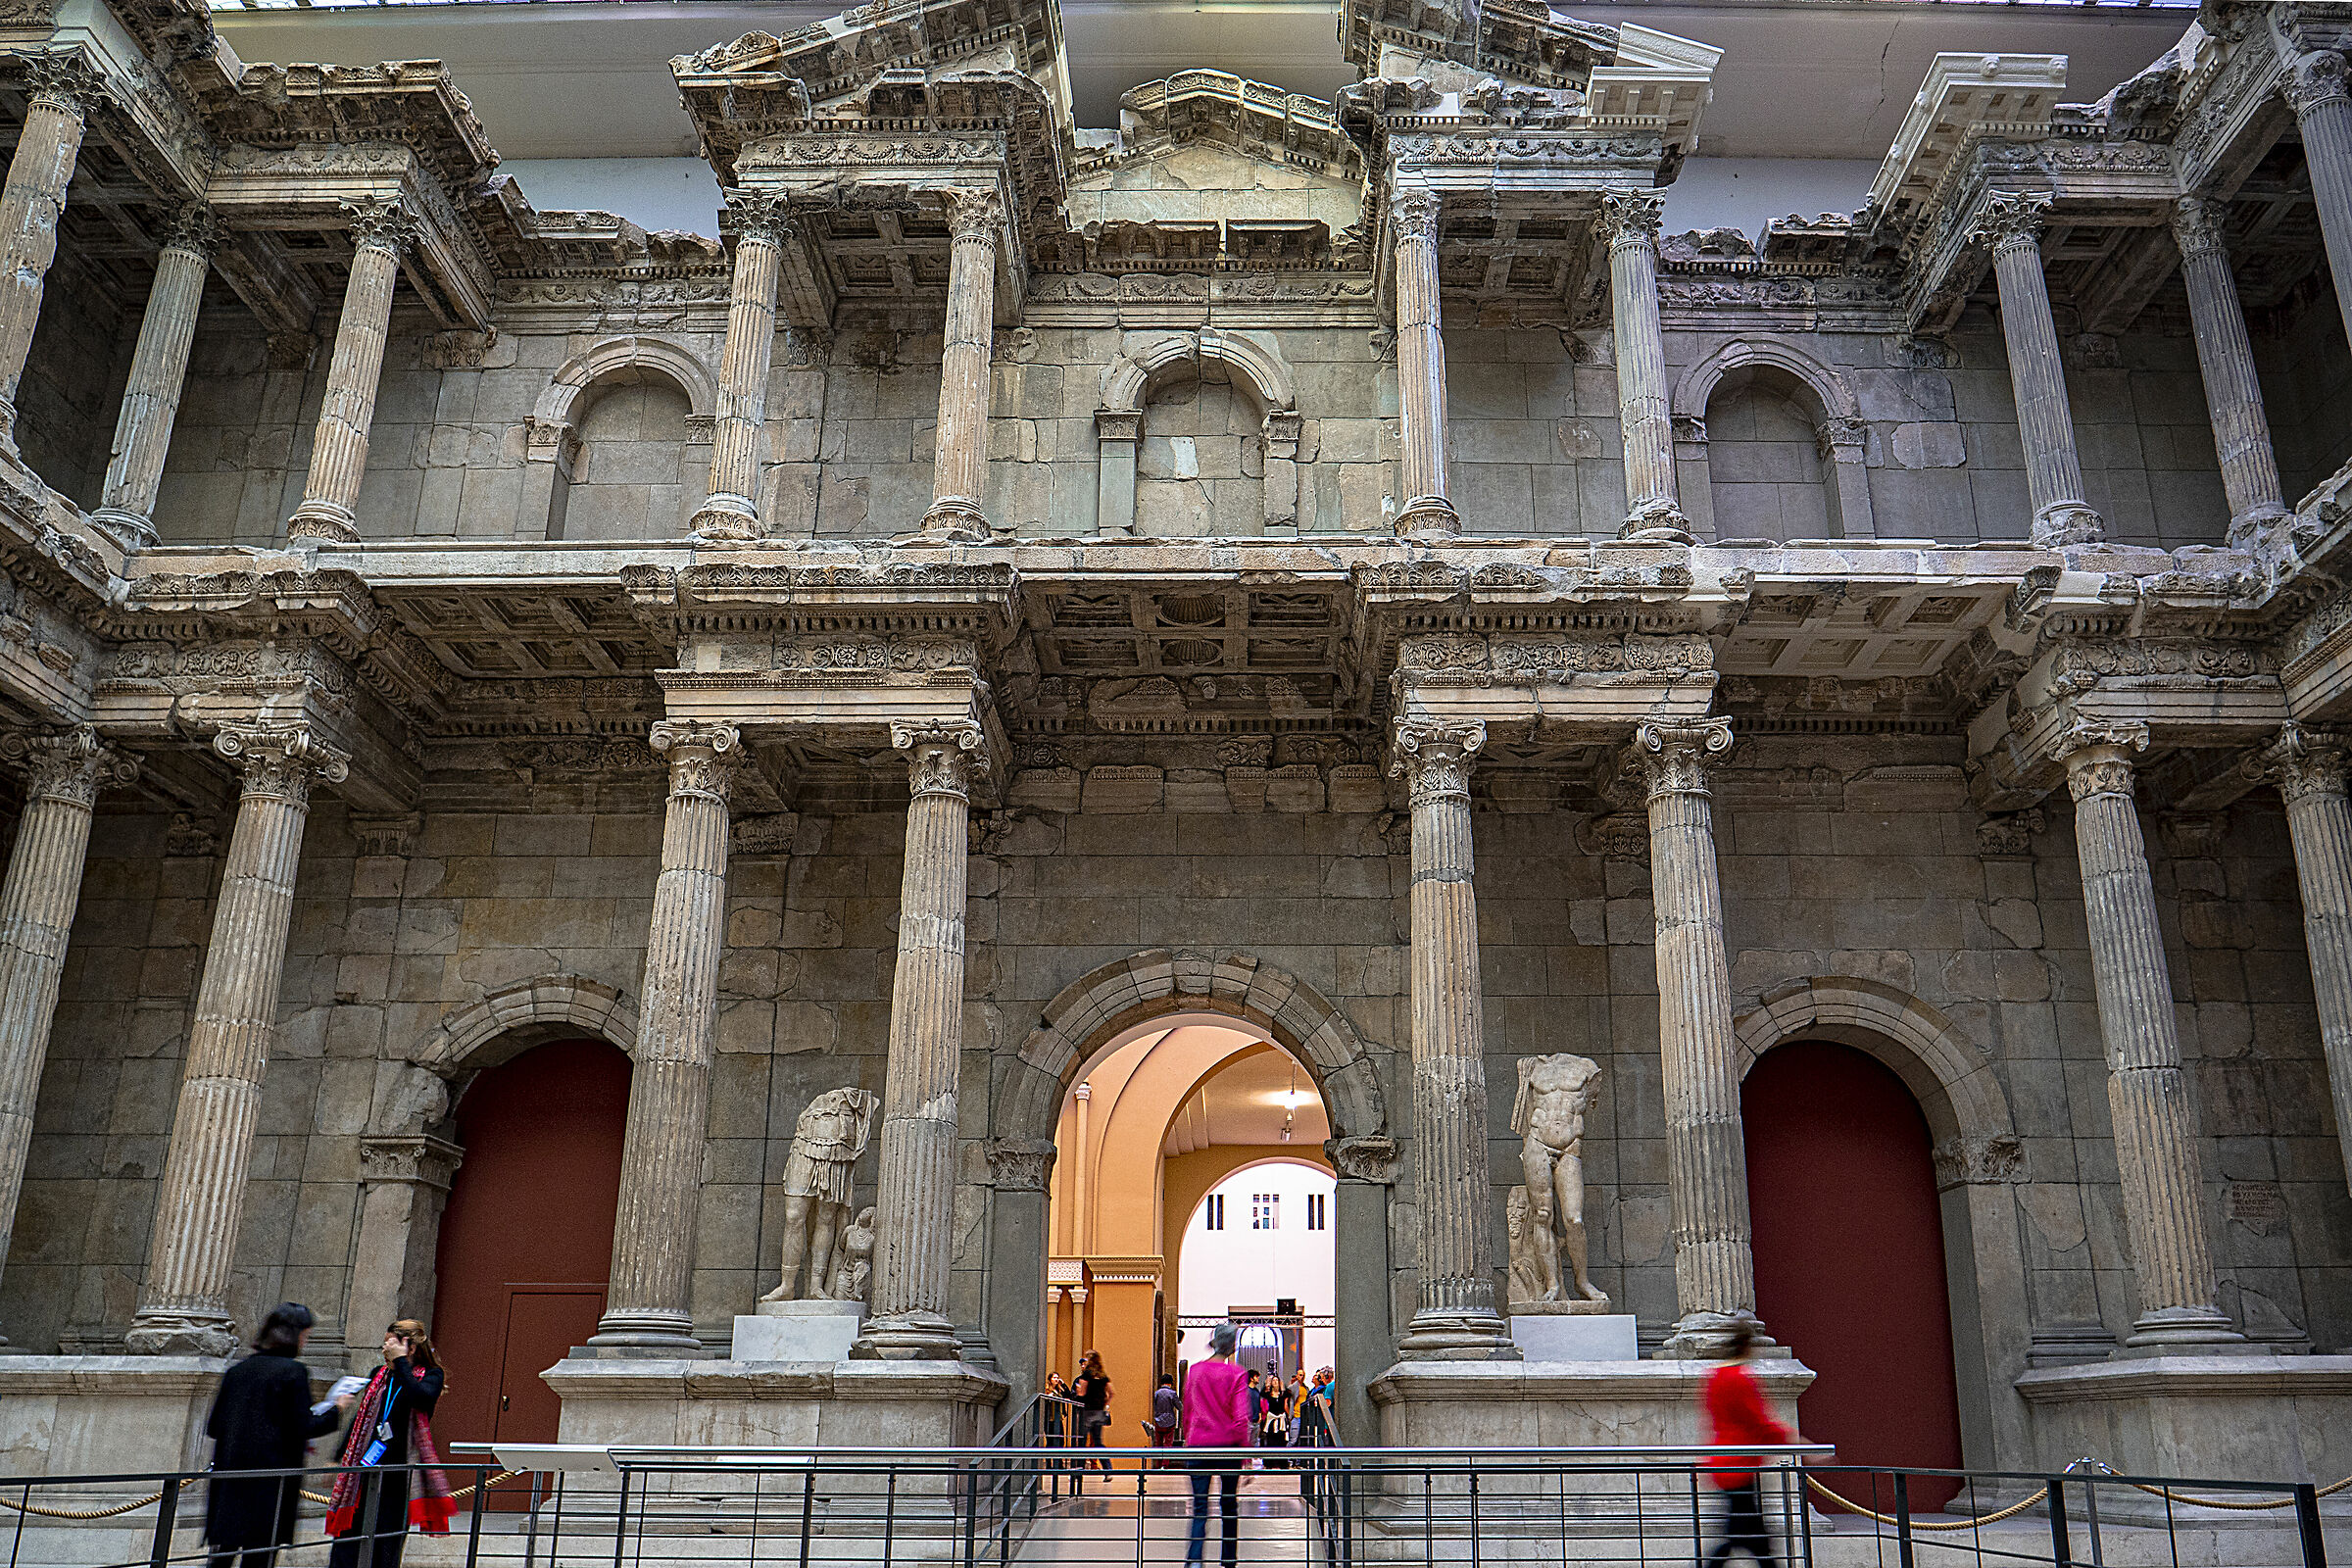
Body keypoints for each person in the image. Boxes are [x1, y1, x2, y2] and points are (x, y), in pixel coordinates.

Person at [203, 1303, 354, 1568]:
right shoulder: (292, 1373)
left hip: (230, 1479)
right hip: (270, 1482)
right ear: (294, 1335)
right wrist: (337, 1409)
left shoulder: (236, 1372)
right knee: (259, 1556)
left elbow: (215, 1426)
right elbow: (305, 1425)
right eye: (305, 1334)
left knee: (221, 1557)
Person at [325, 1320, 453, 1568]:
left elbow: (420, 1397)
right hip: (365, 1469)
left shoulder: (431, 1376)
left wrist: (402, 1362)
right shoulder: (379, 1374)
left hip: (398, 1473)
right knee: (347, 1541)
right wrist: (339, 1455)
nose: (384, 1348)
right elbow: (360, 1420)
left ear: (410, 1346)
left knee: (386, 1543)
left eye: (390, 1342)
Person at [1699, 1322, 1793, 1568]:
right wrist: (1796, 1440)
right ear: (1748, 1347)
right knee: (1749, 1534)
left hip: (1724, 1461)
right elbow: (1760, 1421)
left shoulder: (1716, 1376)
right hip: (1739, 1464)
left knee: (1744, 1530)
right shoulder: (1740, 1379)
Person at [1179, 1324, 1253, 1568]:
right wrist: (1245, 1453)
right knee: (1229, 1503)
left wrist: (1188, 1439)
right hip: (1227, 1447)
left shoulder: (1196, 1371)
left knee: (1200, 1505)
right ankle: (1229, 1558)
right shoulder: (1236, 1374)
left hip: (1199, 1445)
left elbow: (1188, 1410)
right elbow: (1241, 1417)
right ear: (1232, 1346)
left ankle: (1194, 1559)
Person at [1072, 1351, 1113, 1478]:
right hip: (1099, 1411)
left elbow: (1082, 1393)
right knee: (1098, 1441)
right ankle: (1108, 1470)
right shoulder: (1102, 1375)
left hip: (1088, 1411)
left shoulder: (1087, 1375)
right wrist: (1104, 1403)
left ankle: (1078, 1471)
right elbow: (1111, 1392)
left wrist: (1078, 1394)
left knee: (1082, 1440)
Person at [1149, 1374, 1181, 1449]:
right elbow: (1179, 1407)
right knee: (1168, 1445)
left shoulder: (1157, 1393)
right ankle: (1166, 1461)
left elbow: (1154, 1406)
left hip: (1158, 1421)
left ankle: (1159, 1461)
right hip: (1170, 1422)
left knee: (1158, 1445)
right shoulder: (1172, 1393)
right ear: (1170, 1383)